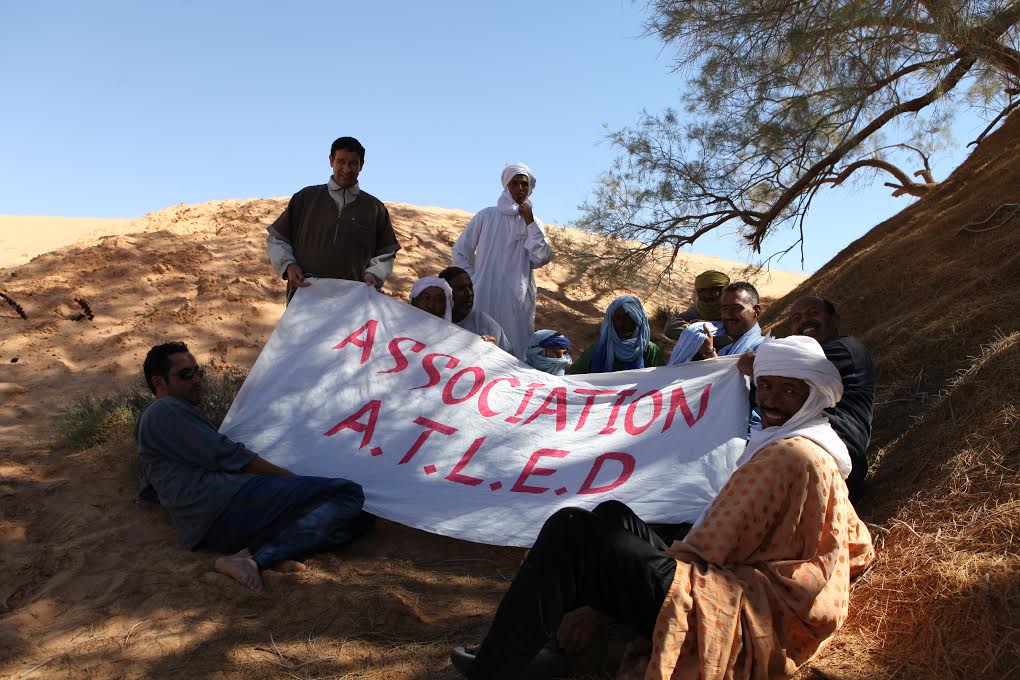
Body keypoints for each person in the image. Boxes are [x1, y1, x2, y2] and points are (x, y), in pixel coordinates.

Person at [450, 336, 874, 680]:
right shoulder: (821, 447)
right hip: (753, 587)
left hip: (741, 606)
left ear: (814, 395)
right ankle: (552, 647)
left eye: (789, 390)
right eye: (766, 386)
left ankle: (494, 668)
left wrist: (608, 599)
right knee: (614, 515)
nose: (773, 400)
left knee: (572, 529)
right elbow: (860, 547)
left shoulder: (786, 455)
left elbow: (710, 548)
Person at [136, 342, 373, 593]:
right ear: (159, 383)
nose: (196, 380)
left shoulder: (161, 419)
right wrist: (291, 479)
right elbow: (230, 456)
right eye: (185, 375)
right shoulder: (164, 409)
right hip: (225, 504)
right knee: (348, 494)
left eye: (198, 372)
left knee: (362, 517)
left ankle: (263, 551)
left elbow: (150, 485)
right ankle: (258, 559)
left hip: (216, 522)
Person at [738, 295, 876, 499]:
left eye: (813, 313)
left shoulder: (844, 348)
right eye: (796, 318)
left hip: (832, 457)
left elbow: (787, 368)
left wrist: (753, 362)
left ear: (835, 320)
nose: (804, 321)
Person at [266, 136, 401, 301]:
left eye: (353, 163)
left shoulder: (374, 208)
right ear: (331, 161)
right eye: (341, 162)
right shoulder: (305, 198)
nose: (346, 168)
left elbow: (386, 252)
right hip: (305, 296)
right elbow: (277, 238)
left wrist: (374, 274)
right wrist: (288, 265)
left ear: (361, 165)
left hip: (352, 301)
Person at [451, 163, 553, 358]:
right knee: (479, 347)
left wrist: (529, 222)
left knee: (514, 350)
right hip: (484, 294)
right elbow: (460, 251)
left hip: (517, 299)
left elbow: (541, 257)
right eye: (515, 183)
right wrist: (474, 280)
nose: (520, 189)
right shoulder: (487, 216)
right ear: (507, 186)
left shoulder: (534, 222)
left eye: (524, 184)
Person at [667, 281, 765, 365]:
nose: (728, 315)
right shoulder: (725, 350)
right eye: (724, 309)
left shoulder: (764, 350)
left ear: (756, 311)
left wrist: (710, 353)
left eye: (736, 308)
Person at [566, 296, 664, 374]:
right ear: (611, 321)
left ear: (638, 320)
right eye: (618, 318)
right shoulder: (597, 350)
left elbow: (661, 381)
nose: (624, 323)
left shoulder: (650, 351)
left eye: (629, 317)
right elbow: (573, 379)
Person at [438, 266, 513, 352]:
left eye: (470, 287)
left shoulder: (487, 326)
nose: (469, 293)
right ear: (446, 293)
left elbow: (509, 359)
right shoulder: (432, 319)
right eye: (461, 289)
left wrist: (492, 352)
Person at [663, 269, 731, 341]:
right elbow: (671, 326)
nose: (707, 296)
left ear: (723, 292)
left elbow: (732, 338)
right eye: (703, 291)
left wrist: (702, 326)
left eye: (713, 290)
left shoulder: (731, 312)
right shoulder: (699, 309)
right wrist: (695, 328)